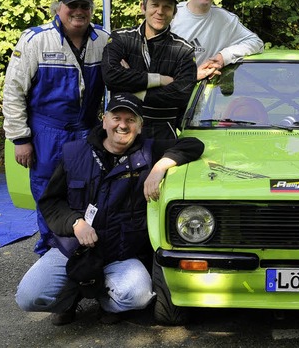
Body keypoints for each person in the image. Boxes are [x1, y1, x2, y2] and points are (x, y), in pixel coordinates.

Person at [15, 93, 205, 326]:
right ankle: (71, 298)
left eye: (130, 119)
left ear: (140, 125)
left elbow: (194, 144)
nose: (122, 125)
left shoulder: (149, 151)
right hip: (74, 250)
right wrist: (76, 223)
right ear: (104, 120)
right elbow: (51, 202)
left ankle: (106, 302)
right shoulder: (74, 153)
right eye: (116, 117)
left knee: (138, 296)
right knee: (28, 297)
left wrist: (160, 167)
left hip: (122, 253)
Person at [2, 0, 110, 255]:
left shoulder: (103, 40)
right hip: (46, 133)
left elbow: (118, 84)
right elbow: (13, 91)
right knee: (48, 193)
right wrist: (21, 138)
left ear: (91, 10)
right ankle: (50, 255)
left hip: (87, 131)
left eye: (84, 6)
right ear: (59, 8)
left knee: (88, 192)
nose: (78, 11)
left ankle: (84, 252)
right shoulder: (36, 39)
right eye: (72, 5)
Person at [102, 0, 210, 140]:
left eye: (167, 7)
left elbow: (182, 94)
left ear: (174, 13)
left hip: (163, 132)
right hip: (123, 130)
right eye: (155, 5)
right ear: (143, 7)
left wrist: (133, 89)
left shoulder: (184, 50)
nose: (160, 11)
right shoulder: (121, 38)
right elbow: (110, 76)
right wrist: (159, 79)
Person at [171, 0, 264, 68]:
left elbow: (256, 43)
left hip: (206, 84)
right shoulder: (171, 14)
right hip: (172, 82)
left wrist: (224, 56)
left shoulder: (226, 20)